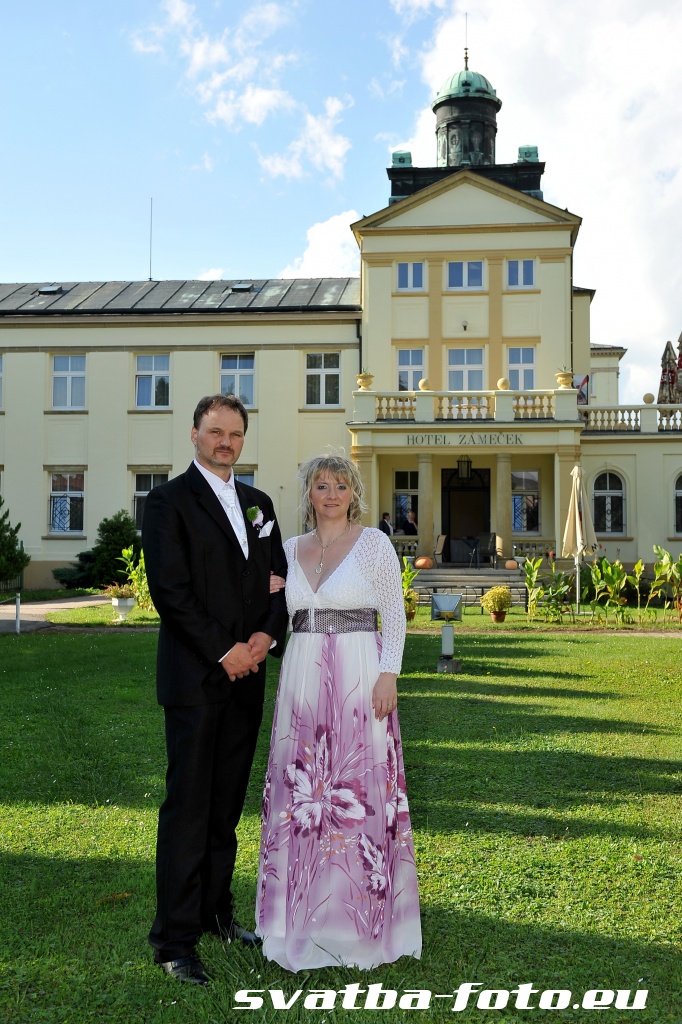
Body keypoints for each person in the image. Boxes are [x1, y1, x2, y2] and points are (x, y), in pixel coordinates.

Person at [142, 394, 288, 986]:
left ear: (243, 440)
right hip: (197, 679)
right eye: (214, 432)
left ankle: (215, 914)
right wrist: (224, 650)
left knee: (225, 807)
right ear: (195, 435)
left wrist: (261, 640)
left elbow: (278, 586)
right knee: (188, 808)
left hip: (247, 679)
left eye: (234, 433)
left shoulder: (260, 504)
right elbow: (170, 590)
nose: (224, 441)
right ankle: (174, 941)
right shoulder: (167, 502)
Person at [256, 453, 421, 972]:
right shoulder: (287, 550)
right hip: (302, 678)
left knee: (358, 792)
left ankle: (361, 924)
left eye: (341, 486)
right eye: (322, 485)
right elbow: (273, 614)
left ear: (354, 493)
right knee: (302, 794)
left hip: (359, 673)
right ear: (308, 492)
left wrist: (388, 673)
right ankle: (297, 916)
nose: (331, 494)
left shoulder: (374, 544)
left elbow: (393, 613)